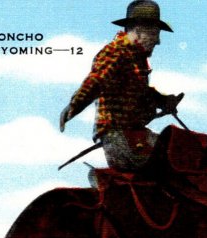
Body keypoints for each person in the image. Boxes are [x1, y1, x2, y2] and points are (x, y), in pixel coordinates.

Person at [59, 0, 181, 173]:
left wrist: (164, 101)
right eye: (154, 34)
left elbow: (141, 92)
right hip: (121, 137)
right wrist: (73, 107)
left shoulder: (134, 57)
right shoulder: (116, 52)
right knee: (175, 161)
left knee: (179, 153)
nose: (158, 41)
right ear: (138, 30)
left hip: (132, 134)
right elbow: (96, 81)